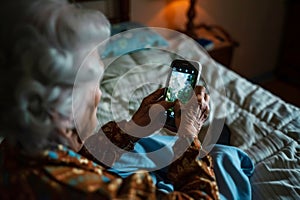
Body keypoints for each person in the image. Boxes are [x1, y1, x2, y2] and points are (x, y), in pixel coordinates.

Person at [0, 0, 253, 199]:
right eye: (96, 85)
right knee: (222, 159)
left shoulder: (17, 149)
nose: (98, 96)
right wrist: (188, 135)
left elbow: (75, 160)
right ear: (59, 110)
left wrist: (133, 127)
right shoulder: (90, 192)